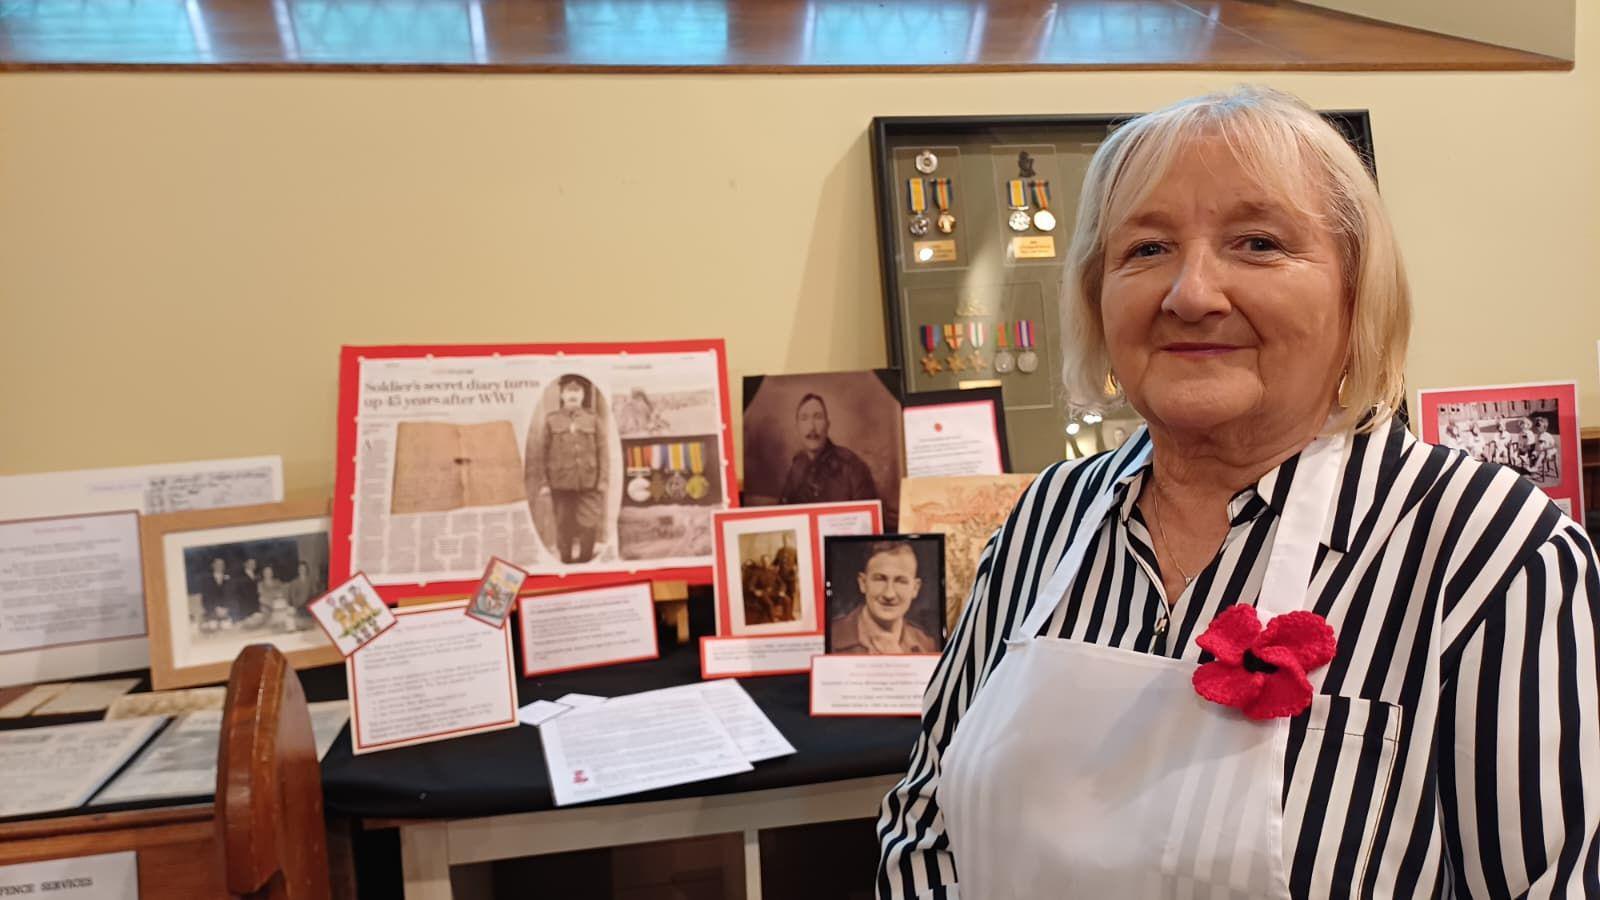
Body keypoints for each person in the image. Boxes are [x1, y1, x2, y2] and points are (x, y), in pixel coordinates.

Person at [878, 86, 1600, 899]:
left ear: (1357, 292)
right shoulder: (1047, 518)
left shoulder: (1490, 553)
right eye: (1146, 250)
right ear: (1095, 295)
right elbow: (924, 827)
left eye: (1257, 243)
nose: (1191, 294)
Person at [830, 541, 939, 655]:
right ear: (863, 583)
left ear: (915, 589)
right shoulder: (832, 637)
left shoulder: (926, 646)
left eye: (901, 581)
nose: (889, 594)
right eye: (880, 579)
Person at [542, 375, 605, 564]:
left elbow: (603, 452)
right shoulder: (551, 420)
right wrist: (545, 483)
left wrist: (602, 481)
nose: (573, 395)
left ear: (583, 394)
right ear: (562, 395)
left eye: (577, 391)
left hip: (589, 482)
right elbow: (542, 454)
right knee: (563, 526)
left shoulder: (593, 419)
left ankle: (585, 562)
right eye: (569, 391)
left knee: (589, 524)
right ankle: (566, 562)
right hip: (560, 482)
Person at [777, 394, 878, 505]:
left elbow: (868, 517)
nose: (812, 427)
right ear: (797, 427)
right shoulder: (797, 466)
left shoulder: (852, 466)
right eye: (804, 418)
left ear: (827, 425)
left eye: (818, 417)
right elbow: (784, 512)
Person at [224, 557, 261, 623]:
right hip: (244, 607)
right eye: (250, 563)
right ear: (245, 564)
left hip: (255, 606)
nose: (253, 565)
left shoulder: (257, 576)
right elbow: (236, 592)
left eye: (254, 563)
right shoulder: (239, 576)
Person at [198, 556, 229, 632]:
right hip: (212, 612)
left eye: (222, 564)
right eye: (217, 564)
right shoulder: (206, 580)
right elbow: (205, 599)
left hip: (227, 612)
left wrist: (227, 608)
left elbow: (232, 596)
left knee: (228, 629)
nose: (220, 566)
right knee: (213, 628)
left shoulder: (229, 579)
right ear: (213, 565)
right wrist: (215, 609)